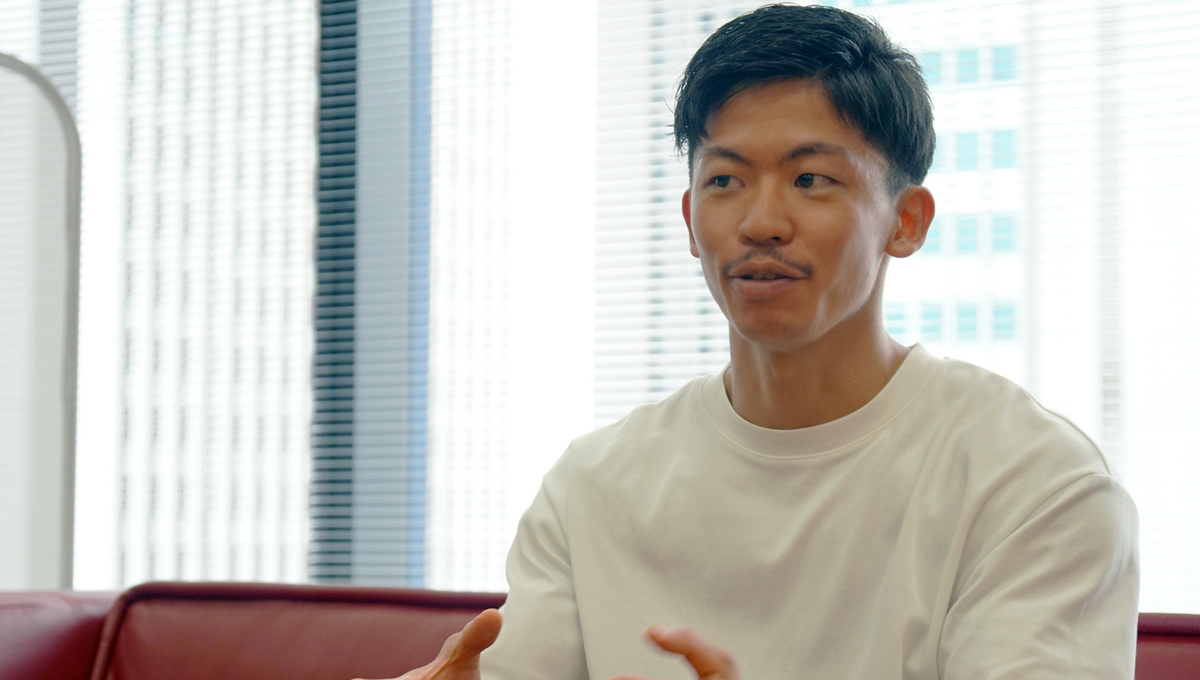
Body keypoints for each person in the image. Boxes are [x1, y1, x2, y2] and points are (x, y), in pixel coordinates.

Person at [371, 4, 1139, 680]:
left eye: (811, 180)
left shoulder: (1034, 481)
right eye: (725, 181)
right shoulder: (592, 485)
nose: (761, 222)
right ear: (689, 219)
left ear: (906, 222)